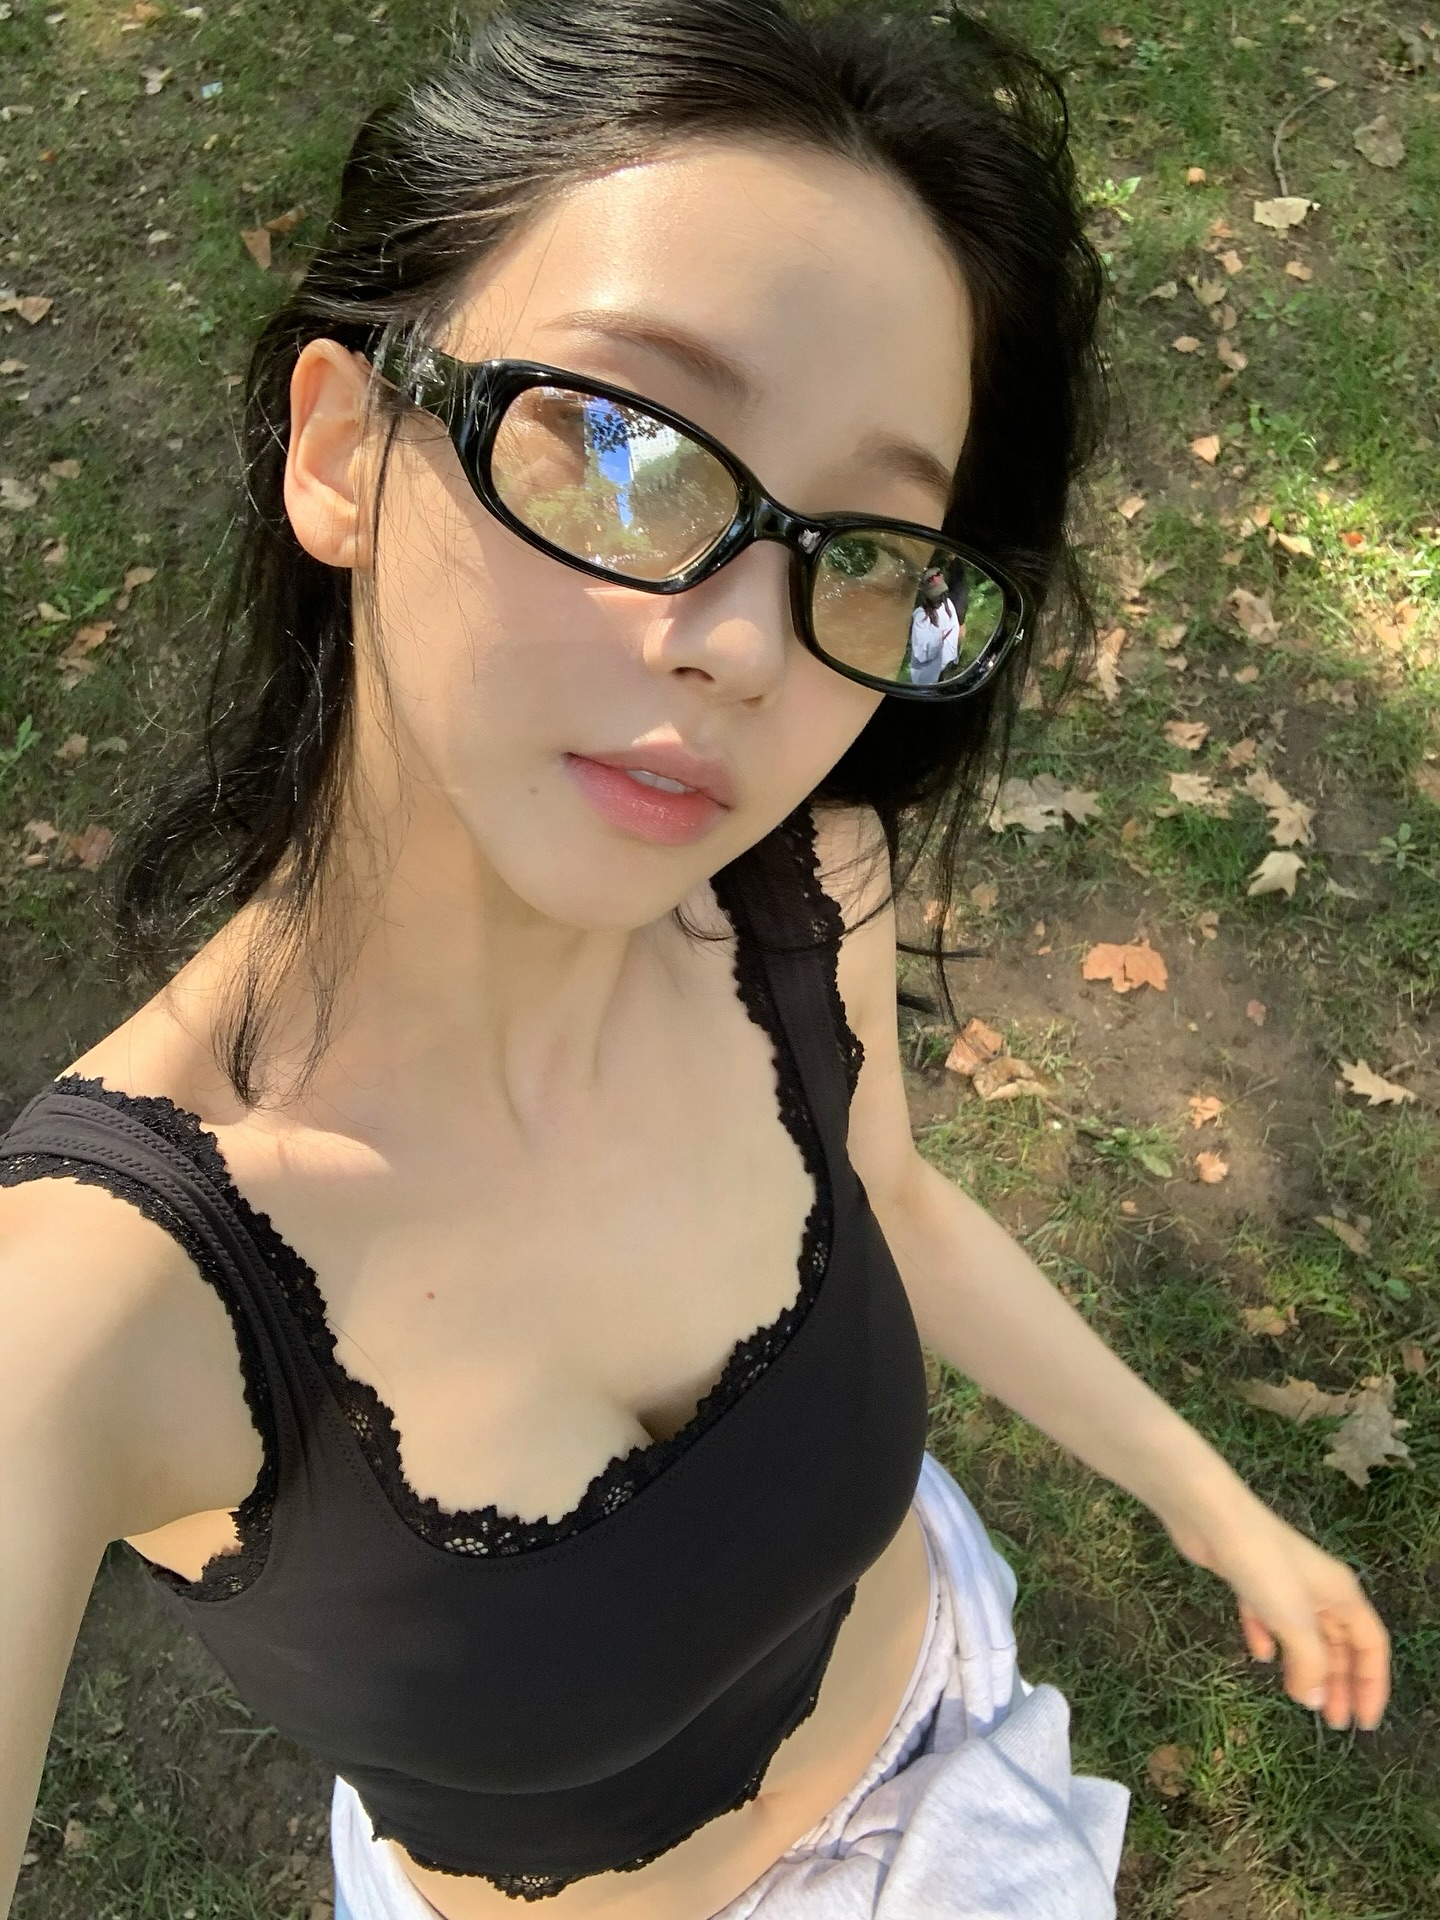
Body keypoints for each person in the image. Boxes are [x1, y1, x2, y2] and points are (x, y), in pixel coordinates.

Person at [0, 4, 1390, 1919]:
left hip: (948, 1731)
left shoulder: (806, 896)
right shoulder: (88, 1312)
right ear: (341, 451)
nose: (745, 643)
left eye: (870, 548)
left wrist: (1205, 1495)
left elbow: (895, 1200)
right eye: (625, 444)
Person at [905, 569, 961, 686]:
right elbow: (921, 654)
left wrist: (954, 662)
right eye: (937, 595)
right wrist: (939, 639)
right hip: (928, 680)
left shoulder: (948, 605)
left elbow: (954, 636)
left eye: (941, 593)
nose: (940, 598)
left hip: (948, 671)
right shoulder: (921, 617)